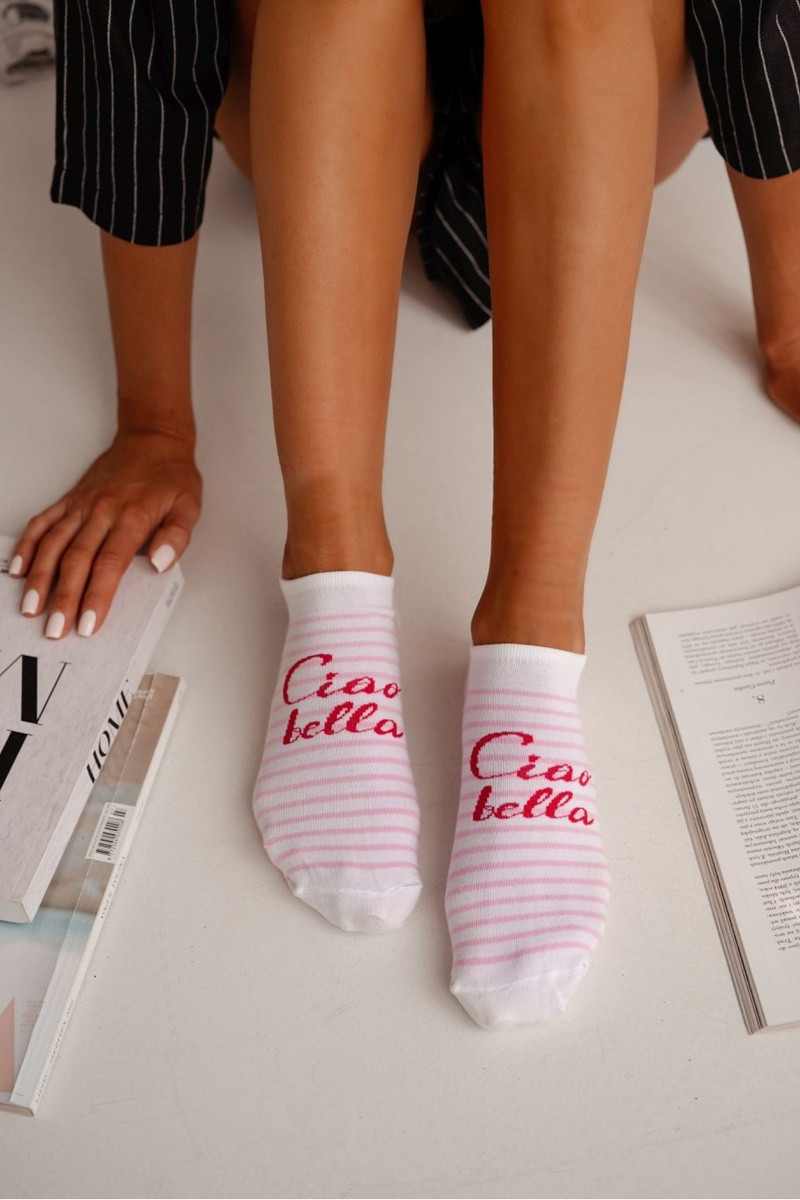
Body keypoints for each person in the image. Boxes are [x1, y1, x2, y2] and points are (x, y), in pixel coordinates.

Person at [10, 0, 800, 1027]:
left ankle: (532, 636)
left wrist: (789, 321)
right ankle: (333, 579)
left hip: (602, 88)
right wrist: (154, 421)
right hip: (316, 92)